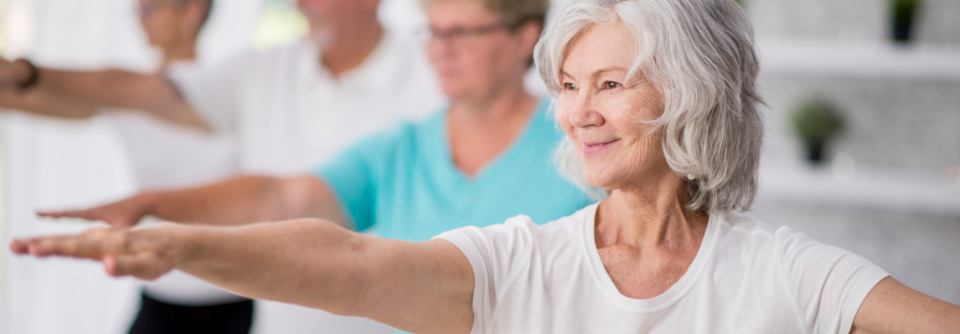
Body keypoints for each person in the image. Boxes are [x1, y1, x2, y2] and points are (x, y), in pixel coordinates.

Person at [13, 0, 960, 333]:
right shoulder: (522, 263)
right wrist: (180, 242)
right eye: (571, 84)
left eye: (613, 84)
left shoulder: (781, 270)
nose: (581, 111)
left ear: (692, 94)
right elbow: (346, 263)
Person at [0, 0, 445, 332]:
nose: (302, 4)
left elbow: (286, 198)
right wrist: (25, 75)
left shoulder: (436, 76)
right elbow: (272, 198)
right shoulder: (264, 70)